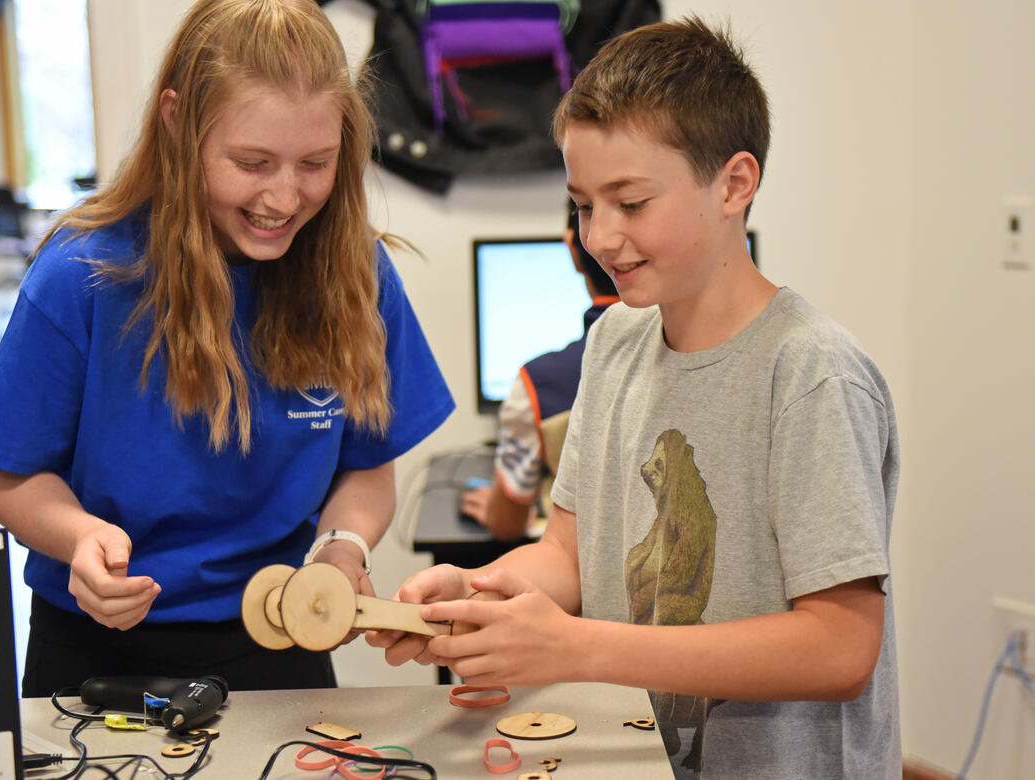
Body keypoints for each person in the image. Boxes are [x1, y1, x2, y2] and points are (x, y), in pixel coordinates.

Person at [368, 16, 900, 779]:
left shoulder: (811, 374)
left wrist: (576, 645)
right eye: (584, 205)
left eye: (631, 202)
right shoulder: (615, 341)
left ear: (735, 183)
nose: (601, 238)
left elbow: (841, 647)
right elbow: (567, 555)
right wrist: (482, 595)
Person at [0, 0, 454, 697]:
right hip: (97, 649)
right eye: (252, 163)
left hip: (278, 645)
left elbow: (369, 468)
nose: (284, 197)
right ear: (177, 123)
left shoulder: (357, 275)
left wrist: (341, 548)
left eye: (316, 163)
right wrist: (77, 538)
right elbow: (9, 479)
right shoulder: (83, 276)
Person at [460, 207, 619, 541]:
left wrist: (496, 507)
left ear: (571, 249)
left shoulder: (537, 384)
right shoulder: (695, 352)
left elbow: (507, 525)